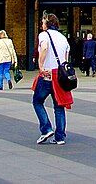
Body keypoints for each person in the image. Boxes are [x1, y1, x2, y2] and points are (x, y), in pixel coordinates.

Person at [33, 13, 72, 145]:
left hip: (47, 75)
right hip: (59, 77)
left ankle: (46, 128)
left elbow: (44, 48)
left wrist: (40, 65)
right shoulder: (63, 37)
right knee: (59, 106)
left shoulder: (44, 35)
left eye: (43, 21)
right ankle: (60, 137)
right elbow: (66, 58)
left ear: (47, 23)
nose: (41, 24)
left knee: (37, 101)